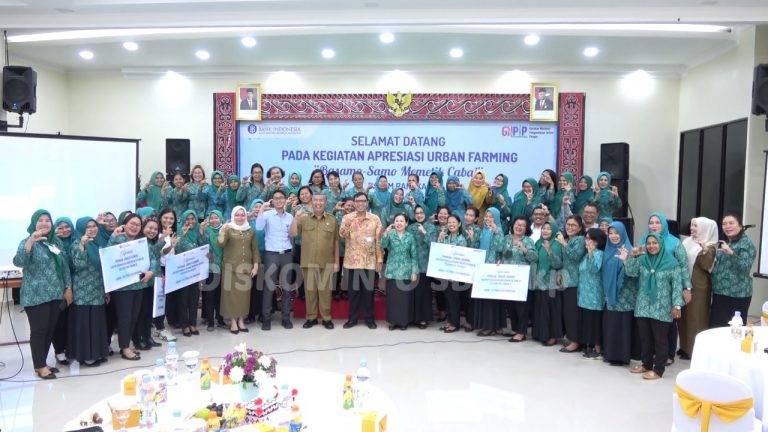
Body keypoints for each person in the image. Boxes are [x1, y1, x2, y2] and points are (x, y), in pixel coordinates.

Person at [14, 210, 72, 379]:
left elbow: (65, 267)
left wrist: (68, 287)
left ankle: (42, 363)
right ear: (34, 224)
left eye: (48, 220)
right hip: (36, 296)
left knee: (49, 330)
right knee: (39, 331)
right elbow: (20, 261)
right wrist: (31, 241)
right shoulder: (26, 242)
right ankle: (40, 365)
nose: (45, 223)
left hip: (55, 294)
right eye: (41, 220)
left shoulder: (55, 243)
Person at [621, 232, 684, 380]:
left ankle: (658, 369)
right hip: (643, 305)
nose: (651, 246)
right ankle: (646, 364)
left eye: (654, 243)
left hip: (662, 307)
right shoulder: (642, 260)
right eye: (648, 243)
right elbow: (630, 272)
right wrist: (634, 256)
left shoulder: (672, 263)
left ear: (661, 244)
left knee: (660, 340)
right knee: (645, 338)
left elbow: (677, 286)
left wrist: (677, 305)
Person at [643, 212, 691, 364]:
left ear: (664, 224)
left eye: (658, 222)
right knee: (651, 324)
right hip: (648, 289)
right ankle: (651, 355)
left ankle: (668, 354)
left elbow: (683, 266)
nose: (654, 226)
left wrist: (687, 287)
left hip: (669, 288)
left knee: (668, 323)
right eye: (651, 223)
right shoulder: (644, 239)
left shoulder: (674, 242)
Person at [108, 213, 156, 361]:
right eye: (132, 224)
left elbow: (153, 257)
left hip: (138, 285)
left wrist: (151, 271)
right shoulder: (117, 239)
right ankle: (124, 348)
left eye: (137, 225)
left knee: (134, 317)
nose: (135, 227)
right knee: (125, 317)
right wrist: (112, 238)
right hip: (122, 287)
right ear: (124, 224)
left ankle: (126, 344)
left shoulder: (141, 242)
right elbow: (108, 256)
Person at [289, 193, 339, 330]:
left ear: (325, 202)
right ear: (312, 202)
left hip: (327, 262)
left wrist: (336, 262)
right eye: (315, 200)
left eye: (321, 200)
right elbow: (292, 234)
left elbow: (335, 242)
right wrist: (295, 218)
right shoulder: (304, 219)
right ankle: (311, 318)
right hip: (308, 261)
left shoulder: (332, 220)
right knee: (310, 291)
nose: (318, 203)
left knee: (325, 292)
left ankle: (326, 318)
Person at [67, 217, 108, 367]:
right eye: (88, 227)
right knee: (85, 325)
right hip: (83, 291)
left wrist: (106, 289)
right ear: (81, 229)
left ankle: (97, 352)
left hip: (97, 289)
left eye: (94, 226)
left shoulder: (97, 244)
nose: (92, 229)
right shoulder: (76, 244)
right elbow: (79, 265)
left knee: (96, 323)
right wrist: (82, 246)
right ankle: (86, 356)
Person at [340, 192, 383, 329]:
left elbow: (379, 241)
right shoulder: (347, 217)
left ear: (367, 202)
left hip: (369, 262)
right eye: (357, 201)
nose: (360, 203)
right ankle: (352, 319)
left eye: (363, 201)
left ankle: (369, 319)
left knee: (368, 292)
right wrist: (348, 222)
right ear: (354, 202)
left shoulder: (374, 219)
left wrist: (379, 259)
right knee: (353, 292)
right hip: (352, 262)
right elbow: (342, 234)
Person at [255, 189, 295, 330]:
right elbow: (259, 227)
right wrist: (261, 210)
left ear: (285, 200)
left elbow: (292, 234)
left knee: (286, 287)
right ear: (272, 200)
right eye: (276, 198)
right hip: (271, 254)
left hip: (286, 254)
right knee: (269, 287)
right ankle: (266, 319)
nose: (278, 200)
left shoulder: (290, 217)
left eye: (281, 198)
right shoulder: (266, 215)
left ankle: (286, 318)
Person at [678, 217, 717, 359]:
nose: (692, 228)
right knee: (684, 317)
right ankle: (683, 346)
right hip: (685, 284)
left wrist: (704, 248)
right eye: (692, 225)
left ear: (705, 228)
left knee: (696, 318)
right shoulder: (687, 241)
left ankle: (693, 349)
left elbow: (707, 266)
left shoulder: (711, 245)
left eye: (696, 226)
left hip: (699, 287)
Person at [709, 213, 756, 328]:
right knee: (718, 329)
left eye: (731, 223)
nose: (727, 226)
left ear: (740, 225)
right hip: (720, 293)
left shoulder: (746, 244)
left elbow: (745, 267)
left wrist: (731, 253)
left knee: (734, 330)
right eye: (724, 224)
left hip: (736, 295)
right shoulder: (729, 242)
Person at [601, 221, 638, 366]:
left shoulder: (628, 250)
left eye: (617, 233)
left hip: (624, 295)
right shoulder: (608, 250)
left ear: (623, 233)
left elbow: (634, 274)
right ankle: (610, 353)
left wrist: (625, 261)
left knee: (622, 324)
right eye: (610, 233)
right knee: (611, 323)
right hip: (609, 295)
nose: (613, 236)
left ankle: (621, 356)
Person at [218, 205, 260, 333]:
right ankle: (233, 322)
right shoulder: (228, 229)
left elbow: (254, 249)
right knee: (231, 297)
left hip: (246, 268)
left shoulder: (250, 230)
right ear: (233, 216)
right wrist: (222, 231)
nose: (240, 217)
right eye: (237, 214)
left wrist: (256, 265)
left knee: (244, 296)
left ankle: (241, 320)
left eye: (242, 215)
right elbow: (221, 244)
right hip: (231, 267)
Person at [381, 213, 419, 330]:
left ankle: (403, 322)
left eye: (401, 221)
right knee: (393, 298)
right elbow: (382, 245)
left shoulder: (410, 237)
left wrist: (414, 272)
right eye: (396, 221)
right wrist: (386, 233)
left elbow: (414, 255)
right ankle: (392, 321)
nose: (399, 223)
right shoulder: (391, 235)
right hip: (393, 271)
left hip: (406, 272)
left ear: (406, 223)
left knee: (404, 299)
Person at [471, 208, 506, 336]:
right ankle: (491, 325)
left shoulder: (499, 231)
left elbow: (500, 248)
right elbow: (478, 248)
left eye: (491, 217)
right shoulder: (484, 231)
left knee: (491, 299)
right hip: (483, 268)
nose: (488, 219)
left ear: (496, 218)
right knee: (485, 298)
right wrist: (473, 238)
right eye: (486, 216)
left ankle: (491, 326)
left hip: (493, 269)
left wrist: (496, 232)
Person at [530, 220, 563, 346]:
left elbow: (558, 263)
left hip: (551, 282)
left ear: (554, 231)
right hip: (539, 281)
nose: (545, 231)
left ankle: (553, 335)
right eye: (544, 228)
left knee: (552, 310)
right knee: (540, 309)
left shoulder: (556, 244)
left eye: (549, 229)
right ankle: (540, 333)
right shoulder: (538, 243)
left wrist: (549, 251)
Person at [557, 215, 586, 353]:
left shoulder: (580, 240)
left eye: (573, 225)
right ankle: (570, 337)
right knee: (567, 312)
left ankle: (575, 341)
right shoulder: (567, 240)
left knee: (572, 312)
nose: (569, 227)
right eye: (568, 224)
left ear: (580, 228)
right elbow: (563, 261)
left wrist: (564, 244)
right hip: (565, 280)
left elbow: (575, 257)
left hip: (575, 281)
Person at [436, 214, 468, 333]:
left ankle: (455, 323)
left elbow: (461, 258)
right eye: (449, 222)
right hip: (445, 274)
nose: (451, 224)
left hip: (456, 275)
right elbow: (438, 252)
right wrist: (439, 238)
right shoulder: (445, 237)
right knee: (448, 299)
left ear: (459, 224)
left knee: (454, 299)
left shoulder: (461, 239)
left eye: (454, 222)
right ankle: (450, 321)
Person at [577, 228, 606, 359]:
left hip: (595, 294)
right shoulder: (587, 253)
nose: (587, 241)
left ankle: (598, 347)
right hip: (585, 293)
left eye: (590, 239)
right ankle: (589, 345)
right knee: (588, 321)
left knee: (595, 321)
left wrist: (590, 253)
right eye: (586, 238)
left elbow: (595, 269)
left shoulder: (598, 253)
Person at [406, 205, 436, 329]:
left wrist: (424, 233)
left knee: (423, 294)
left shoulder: (431, 227)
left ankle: (423, 319)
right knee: (412, 293)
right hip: (412, 265)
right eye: (417, 212)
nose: (419, 215)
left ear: (426, 213)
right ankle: (413, 318)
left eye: (421, 212)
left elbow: (434, 246)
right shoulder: (411, 227)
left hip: (425, 265)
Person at [175, 210, 202, 337]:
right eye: (188, 219)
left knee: (194, 299)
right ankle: (184, 325)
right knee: (183, 299)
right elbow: (177, 249)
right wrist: (183, 235)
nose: (190, 221)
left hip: (195, 270)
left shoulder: (198, 231)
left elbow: (204, 246)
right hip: (183, 271)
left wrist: (202, 233)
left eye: (193, 218)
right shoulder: (180, 231)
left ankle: (193, 323)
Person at [52, 217, 75, 366]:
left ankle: (70, 348)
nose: (64, 230)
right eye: (60, 227)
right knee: (59, 321)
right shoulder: (51, 245)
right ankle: (59, 350)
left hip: (77, 287)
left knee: (71, 320)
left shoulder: (77, 242)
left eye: (67, 226)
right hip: (59, 289)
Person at [199, 210, 225, 332]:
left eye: (216, 217)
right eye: (212, 218)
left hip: (224, 266)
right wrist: (202, 231)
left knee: (221, 295)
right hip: (210, 267)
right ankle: (210, 321)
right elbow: (202, 245)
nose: (214, 220)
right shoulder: (207, 231)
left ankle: (220, 319)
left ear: (220, 218)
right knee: (210, 295)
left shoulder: (225, 230)